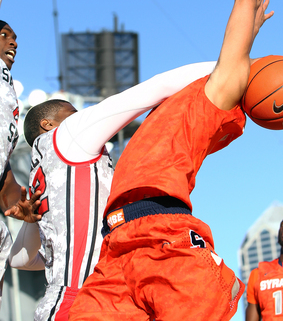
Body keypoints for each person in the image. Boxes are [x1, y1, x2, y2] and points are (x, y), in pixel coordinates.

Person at [68, 0, 277, 321]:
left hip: (167, 239)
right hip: (118, 249)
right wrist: (248, 36)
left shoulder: (217, 96)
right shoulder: (183, 104)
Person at [8, 60, 218, 321]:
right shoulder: (69, 136)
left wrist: (32, 224)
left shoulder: (47, 175)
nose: (84, 116)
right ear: (49, 125)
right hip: (80, 301)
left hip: (93, 300)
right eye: (74, 113)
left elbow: (20, 260)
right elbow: (155, 88)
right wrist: (230, 67)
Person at [0, 0, 45, 306]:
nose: (13, 40)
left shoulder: (9, 92)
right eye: (4, 33)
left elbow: (0, 176)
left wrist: (16, 200)